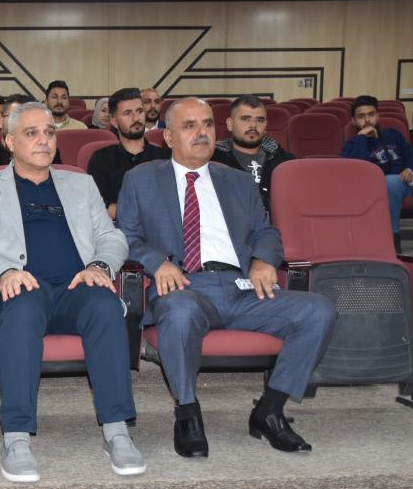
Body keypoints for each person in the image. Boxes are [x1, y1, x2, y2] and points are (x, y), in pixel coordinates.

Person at [118, 97, 336, 459]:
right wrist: (158, 263)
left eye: (207, 124)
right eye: (189, 126)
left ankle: (270, 410)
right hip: (185, 286)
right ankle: (188, 413)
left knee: (318, 310)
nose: (202, 132)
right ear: (168, 137)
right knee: (180, 311)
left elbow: (265, 232)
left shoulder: (236, 180)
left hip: (242, 287)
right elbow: (125, 236)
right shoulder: (141, 179)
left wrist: (264, 260)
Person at [0, 102, 141, 483]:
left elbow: (112, 237)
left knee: (106, 306)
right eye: (31, 133)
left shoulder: (80, 185)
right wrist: (4, 272)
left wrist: (100, 266)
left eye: (49, 132)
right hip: (21, 287)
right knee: (23, 308)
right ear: (10, 142)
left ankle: (117, 431)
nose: (44, 140)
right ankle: (16, 438)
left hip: (76, 287)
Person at [341, 95, 413, 252]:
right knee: (390, 182)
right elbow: (357, 168)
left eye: (371, 114)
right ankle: (393, 237)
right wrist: (362, 138)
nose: (367, 120)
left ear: (378, 116)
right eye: (361, 116)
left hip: (408, 181)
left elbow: (412, 155)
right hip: (379, 189)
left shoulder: (393, 134)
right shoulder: (350, 145)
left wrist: (409, 169)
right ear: (353, 121)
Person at [87, 87, 170, 218]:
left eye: (140, 111)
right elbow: (98, 206)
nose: (136, 118)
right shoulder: (101, 159)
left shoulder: (165, 158)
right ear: (114, 121)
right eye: (127, 113)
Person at [211, 95, 295, 213]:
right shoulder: (213, 159)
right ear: (230, 124)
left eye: (260, 120)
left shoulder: (285, 162)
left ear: (265, 125)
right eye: (245, 119)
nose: (253, 125)